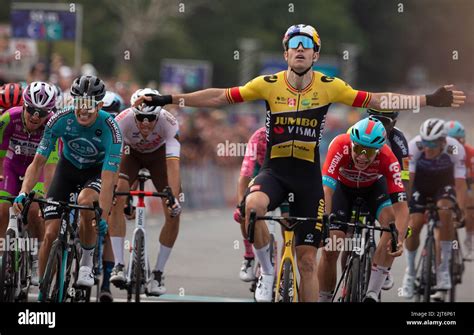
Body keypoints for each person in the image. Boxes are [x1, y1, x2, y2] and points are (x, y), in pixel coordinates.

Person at [134, 24, 465, 302]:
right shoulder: (267, 84)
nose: (301, 49)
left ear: (315, 54)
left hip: (308, 179)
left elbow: (378, 100)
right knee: (252, 205)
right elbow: (221, 95)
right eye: (294, 45)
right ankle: (265, 270)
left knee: (308, 262)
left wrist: (428, 100)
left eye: (308, 45)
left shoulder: (329, 86)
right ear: (286, 53)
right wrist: (169, 99)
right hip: (275, 172)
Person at [13, 75, 122, 290]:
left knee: (86, 202)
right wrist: (24, 192)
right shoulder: (60, 120)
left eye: (89, 105)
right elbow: (37, 163)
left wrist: (103, 214)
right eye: (79, 103)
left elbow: (109, 181)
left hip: (96, 172)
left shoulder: (112, 129)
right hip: (67, 169)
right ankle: (44, 290)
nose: (83, 110)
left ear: (99, 105)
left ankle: (86, 263)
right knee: (51, 232)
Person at [319, 117, 407, 302]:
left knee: (391, 228)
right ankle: (324, 298)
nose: (362, 157)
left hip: (373, 189)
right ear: (351, 144)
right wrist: (323, 223)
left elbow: (401, 205)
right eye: (358, 149)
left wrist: (399, 239)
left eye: (369, 152)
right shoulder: (339, 145)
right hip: (343, 190)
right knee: (331, 245)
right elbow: (327, 190)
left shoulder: (388, 158)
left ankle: (372, 293)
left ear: (379, 150)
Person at [109, 88, 181, 297]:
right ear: (134, 113)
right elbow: (112, 163)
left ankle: (158, 273)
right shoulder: (122, 121)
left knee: (174, 212)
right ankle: (119, 265)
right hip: (130, 155)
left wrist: (173, 199)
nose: (146, 123)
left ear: (158, 115)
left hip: (159, 157)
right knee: (117, 195)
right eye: (141, 117)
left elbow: (174, 166)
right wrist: (119, 193)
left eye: (151, 118)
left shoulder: (169, 123)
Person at [0, 81, 59, 285]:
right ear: (24, 105)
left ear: (49, 113)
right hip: (11, 166)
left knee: (34, 210)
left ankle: (35, 257)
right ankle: (3, 257)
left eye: (42, 113)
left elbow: (51, 166)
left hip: (38, 169)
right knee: (3, 207)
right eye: (32, 110)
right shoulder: (9, 118)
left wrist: (45, 195)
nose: (35, 116)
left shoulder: (52, 126)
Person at [401, 118, 467, 300]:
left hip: (443, 185)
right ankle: (411, 272)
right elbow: (408, 180)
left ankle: (443, 269)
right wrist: (404, 206)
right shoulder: (414, 146)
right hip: (419, 186)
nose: (427, 147)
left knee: (446, 212)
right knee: (413, 226)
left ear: (443, 141)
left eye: (432, 143)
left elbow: (460, 184)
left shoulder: (454, 148)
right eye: (425, 142)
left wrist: (460, 209)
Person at [233, 126, 289, 282]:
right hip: (260, 171)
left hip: (284, 175)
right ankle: (249, 257)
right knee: (245, 211)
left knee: (289, 222)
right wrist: (240, 206)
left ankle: (286, 269)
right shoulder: (258, 137)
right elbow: (245, 174)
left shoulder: (292, 135)